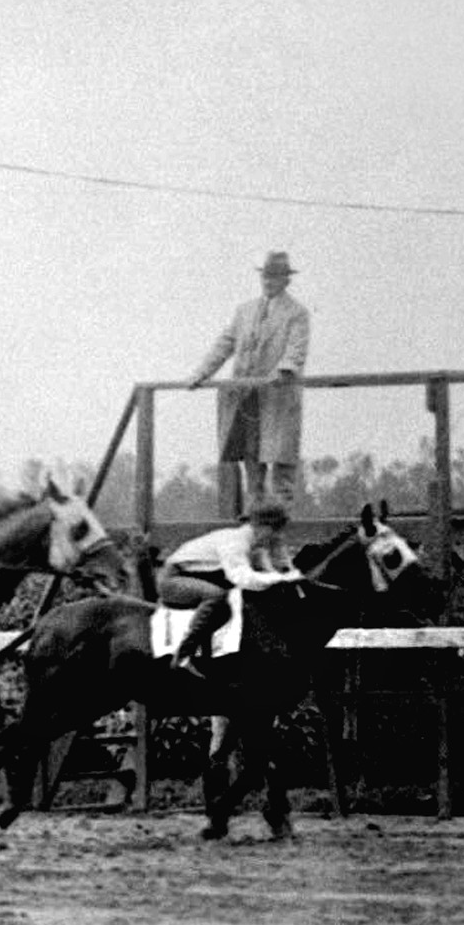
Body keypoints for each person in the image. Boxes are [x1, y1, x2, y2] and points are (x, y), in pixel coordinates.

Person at [191, 251, 312, 513]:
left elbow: (296, 348)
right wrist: (202, 373)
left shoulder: (297, 313)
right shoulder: (245, 311)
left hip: (277, 396)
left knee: (281, 460)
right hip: (246, 397)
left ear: (286, 280)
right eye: (266, 276)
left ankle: (280, 521)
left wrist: (285, 370)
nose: (269, 281)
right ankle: (253, 517)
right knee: (251, 459)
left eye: (275, 276)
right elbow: (225, 344)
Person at [160, 496, 306, 670]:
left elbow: (273, 571)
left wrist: (285, 575)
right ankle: (182, 657)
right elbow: (243, 579)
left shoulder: (255, 545)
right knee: (216, 595)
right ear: (263, 527)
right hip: (172, 580)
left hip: (197, 578)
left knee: (224, 610)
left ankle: (206, 658)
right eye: (276, 530)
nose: (278, 536)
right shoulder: (235, 542)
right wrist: (282, 578)